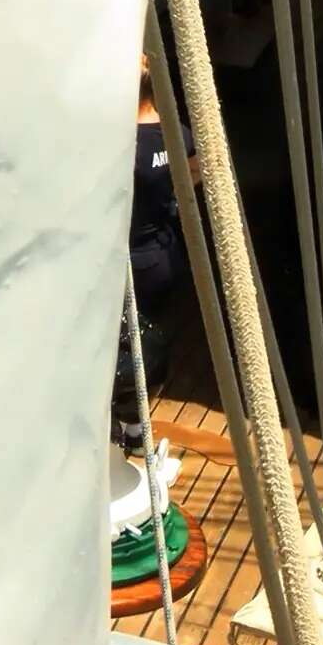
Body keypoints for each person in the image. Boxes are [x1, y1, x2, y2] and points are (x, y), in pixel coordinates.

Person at [112, 54, 196, 451]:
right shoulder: (176, 134)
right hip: (164, 255)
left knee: (119, 346)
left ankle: (121, 424)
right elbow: (193, 172)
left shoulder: (119, 146)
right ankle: (136, 429)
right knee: (147, 340)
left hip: (129, 262)